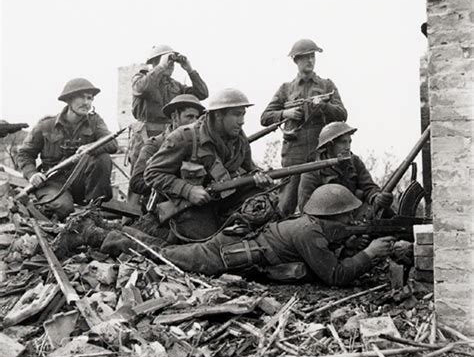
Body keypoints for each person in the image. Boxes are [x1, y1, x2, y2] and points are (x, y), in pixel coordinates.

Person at [101, 184, 398, 286]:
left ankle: (119, 231)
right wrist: (369, 254)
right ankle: (103, 236)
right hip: (229, 253)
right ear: (330, 216)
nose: (352, 220)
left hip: (239, 242)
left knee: (168, 250)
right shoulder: (310, 233)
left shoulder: (313, 226)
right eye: (347, 217)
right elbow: (334, 276)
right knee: (166, 257)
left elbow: (326, 250)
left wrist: (350, 244)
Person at [143, 88, 272, 240]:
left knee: (263, 202)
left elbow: (251, 168)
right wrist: (188, 190)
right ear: (218, 115)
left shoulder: (239, 140)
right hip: (187, 205)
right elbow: (151, 173)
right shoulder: (185, 137)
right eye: (236, 114)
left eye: (243, 114)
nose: (242, 121)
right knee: (209, 245)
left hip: (223, 198)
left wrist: (259, 177)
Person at [261, 38, 348, 217]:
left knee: (323, 202)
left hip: (321, 151)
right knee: (286, 203)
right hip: (294, 152)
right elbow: (265, 117)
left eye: (312, 56)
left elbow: (342, 115)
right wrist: (286, 114)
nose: (310, 60)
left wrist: (323, 106)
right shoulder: (286, 89)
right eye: (305, 57)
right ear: (296, 60)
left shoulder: (327, 85)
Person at [16, 78, 118, 220]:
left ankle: (95, 210)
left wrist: (90, 148)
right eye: (82, 97)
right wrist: (32, 174)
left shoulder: (95, 122)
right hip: (53, 182)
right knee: (62, 209)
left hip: (81, 183)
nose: (87, 103)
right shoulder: (46, 125)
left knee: (103, 158)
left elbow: (112, 144)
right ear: (69, 99)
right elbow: (25, 154)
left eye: (90, 98)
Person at [129, 44, 209, 169]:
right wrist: (161, 66)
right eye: (168, 61)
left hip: (170, 135)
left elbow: (202, 93)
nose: (171, 65)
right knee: (141, 174)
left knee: (166, 171)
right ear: (155, 62)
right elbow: (143, 89)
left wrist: (190, 70)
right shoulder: (140, 79)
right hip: (146, 135)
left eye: (172, 63)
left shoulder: (175, 86)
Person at [298, 122, 393, 213]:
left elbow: (368, 187)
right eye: (343, 142)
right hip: (326, 220)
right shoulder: (312, 171)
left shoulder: (354, 162)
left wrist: (376, 197)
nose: (348, 147)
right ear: (330, 145)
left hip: (354, 215)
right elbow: (305, 207)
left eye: (349, 142)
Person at [129, 94, 205, 205]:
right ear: (174, 117)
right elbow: (137, 183)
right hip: (163, 207)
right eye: (189, 117)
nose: (194, 122)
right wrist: (175, 184)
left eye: (197, 118)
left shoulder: (200, 145)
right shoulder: (154, 145)